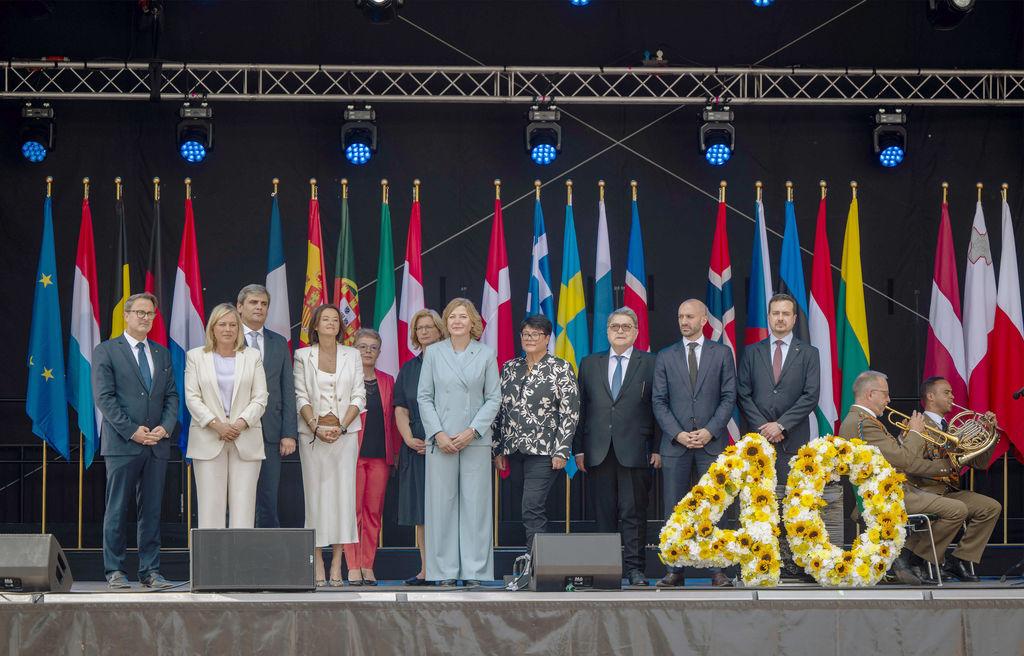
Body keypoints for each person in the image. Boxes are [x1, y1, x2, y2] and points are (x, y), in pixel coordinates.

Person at [736, 293, 839, 577]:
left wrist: (781, 425)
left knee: (793, 502)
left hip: (793, 439)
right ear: (769, 317)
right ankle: (762, 561)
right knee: (759, 501)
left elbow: (811, 395)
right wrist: (765, 426)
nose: (780, 318)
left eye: (785, 314)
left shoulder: (809, 353)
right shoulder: (752, 352)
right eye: (775, 313)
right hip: (759, 441)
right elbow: (743, 394)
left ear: (794, 319)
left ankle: (794, 562)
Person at [92, 292, 178, 589]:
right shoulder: (106, 350)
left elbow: (171, 396)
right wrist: (131, 430)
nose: (145, 318)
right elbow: (104, 398)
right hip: (123, 444)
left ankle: (150, 571)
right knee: (117, 509)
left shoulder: (162, 353)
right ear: (126, 315)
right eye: (140, 312)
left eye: (150, 313)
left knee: (151, 512)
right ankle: (114, 570)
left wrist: (165, 428)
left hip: (156, 444)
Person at [838, 370, 955, 585]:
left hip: (889, 491)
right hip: (882, 497)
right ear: (870, 394)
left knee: (956, 507)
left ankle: (905, 560)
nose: (889, 400)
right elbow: (904, 460)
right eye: (885, 394)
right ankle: (905, 558)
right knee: (956, 510)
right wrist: (915, 433)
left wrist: (905, 439)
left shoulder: (863, 420)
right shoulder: (863, 422)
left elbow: (894, 457)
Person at [652, 299, 736, 588]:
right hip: (676, 445)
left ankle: (717, 570)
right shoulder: (665, 356)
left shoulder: (721, 353)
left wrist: (710, 430)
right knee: (674, 509)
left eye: (689, 316)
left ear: (703, 320)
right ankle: (674, 569)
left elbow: (729, 396)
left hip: (710, 444)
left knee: (714, 506)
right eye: (680, 317)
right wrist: (678, 433)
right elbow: (659, 401)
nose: (683, 321)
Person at [417, 298, 501, 586]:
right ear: (446, 321)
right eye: (452, 316)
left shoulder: (486, 354)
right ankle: (445, 572)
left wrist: (472, 431)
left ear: (472, 321)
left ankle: (475, 571)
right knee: (442, 507)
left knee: (475, 507)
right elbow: (424, 397)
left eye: (463, 316)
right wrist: (438, 434)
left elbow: (494, 398)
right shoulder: (433, 353)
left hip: (474, 441)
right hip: (441, 441)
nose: (457, 321)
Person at [573, 307, 659, 587]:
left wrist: (657, 448)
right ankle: (606, 570)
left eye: (626, 327)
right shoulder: (589, 363)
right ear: (607, 331)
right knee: (603, 514)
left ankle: (635, 569)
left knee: (633, 513)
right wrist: (578, 449)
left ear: (636, 332)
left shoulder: (651, 362)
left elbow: (658, 407)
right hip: (598, 450)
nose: (620, 331)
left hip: (636, 449)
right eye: (615, 327)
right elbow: (581, 408)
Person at [899, 376, 1000, 582]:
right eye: (947, 392)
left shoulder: (953, 428)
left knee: (991, 507)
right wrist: (945, 464)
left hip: (948, 492)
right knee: (956, 509)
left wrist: (990, 433)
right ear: (930, 396)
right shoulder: (916, 425)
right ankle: (916, 558)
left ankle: (959, 560)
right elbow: (910, 464)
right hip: (924, 490)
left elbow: (980, 463)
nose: (952, 397)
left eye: (952, 393)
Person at [493, 315, 580, 553]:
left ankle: (535, 563)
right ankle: (539, 559)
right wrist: (498, 448)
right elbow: (499, 410)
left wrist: (562, 450)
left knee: (532, 506)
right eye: (526, 334)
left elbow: (570, 412)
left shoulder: (560, 368)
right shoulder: (509, 368)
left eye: (536, 334)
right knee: (528, 507)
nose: (530, 338)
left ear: (547, 338)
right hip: (513, 450)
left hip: (545, 451)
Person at [294, 304, 366, 587]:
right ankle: (317, 562)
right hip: (313, 437)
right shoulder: (302, 355)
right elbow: (300, 396)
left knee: (343, 499)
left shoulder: (352, 355)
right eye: (325, 319)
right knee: (315, 500)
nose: (331, 323)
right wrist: (315, 427)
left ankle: (337, 562)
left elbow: (359, 395)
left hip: (345, 436)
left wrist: (343, 426)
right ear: (315, 325)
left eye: (335, 320)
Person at [184, 303, 269, 529]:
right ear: (213, 328)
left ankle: (240, 554)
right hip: (208, 438)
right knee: (210, 508)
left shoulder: (252, 356)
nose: (228, 329)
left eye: (233, 325)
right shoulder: (195, 357)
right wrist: (217, 425)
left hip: (246, 437)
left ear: (239, 329)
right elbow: (192, 398)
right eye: (222, 324)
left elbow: (260, 397)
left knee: (244, 508)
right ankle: (211, 554)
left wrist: (240, 424)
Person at [236, 284, 298, 529]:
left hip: (271, 432)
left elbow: (287, 389)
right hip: (236, 429)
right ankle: (236, 546)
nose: (259, 307)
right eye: (253, 302)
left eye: (263, 304)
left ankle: (267, 549)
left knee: (268, 496)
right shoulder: (228, 338)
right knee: (239, 495)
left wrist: (289, 433)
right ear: (240, 307)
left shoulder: (279, 342)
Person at [343, 328, 401, 586]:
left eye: (373, 347)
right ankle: (353, 566)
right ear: (353, 349)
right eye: (362, 346)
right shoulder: (346, 379)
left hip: (380, 456)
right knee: (352, 512)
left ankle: (368, 565)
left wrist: (395, 452)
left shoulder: (388, 380)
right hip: (352, 455)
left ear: (379, 352)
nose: (368, 351)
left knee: (373, 513)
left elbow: (394, 420)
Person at [394, 308, 445, 585]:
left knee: (446, 511)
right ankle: (426, 570)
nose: (424, 332)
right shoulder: (409, 369)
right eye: (419, 328)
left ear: (439, 330)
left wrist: (438, 438)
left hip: (446, 447)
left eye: (428, 327)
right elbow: (401, 408)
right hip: (416, 448)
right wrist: (407, 438)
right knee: (422, 513)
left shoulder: (450, 363)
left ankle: (447, 569)